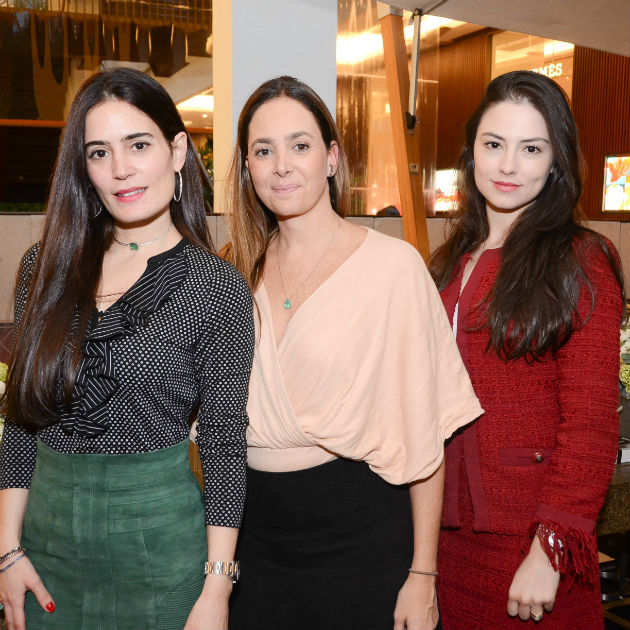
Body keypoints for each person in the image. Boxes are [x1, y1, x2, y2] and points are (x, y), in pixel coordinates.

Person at [220, 75, 483, 630]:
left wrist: (423, 574)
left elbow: (424, 435)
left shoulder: (393, 268)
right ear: (247, 168)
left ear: (332, 158)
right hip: (254, 546)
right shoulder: (232, 269)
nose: (281, 166)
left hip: (362, 543)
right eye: (263, 151)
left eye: (300, 145)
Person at [0, 68, 254, 630]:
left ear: (177, 151)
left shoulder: (214, 287)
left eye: (138, 145)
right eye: (99, 152)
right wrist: (7, 552)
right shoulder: (42, 270)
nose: (120, 169)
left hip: (160, 552)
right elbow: (21, 422)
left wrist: (217, 589)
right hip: (44, 551)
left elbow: (223, 443)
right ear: (83, 167)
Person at [429, 70, 625, 629]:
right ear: (472, 152)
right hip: (444, 537)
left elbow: (590, 425)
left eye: (531, 148)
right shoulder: (450, 262)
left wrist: (550, 549)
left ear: (556, 159)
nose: (509, 165)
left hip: (531, 542)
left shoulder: (580, 259)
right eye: (494, 145)